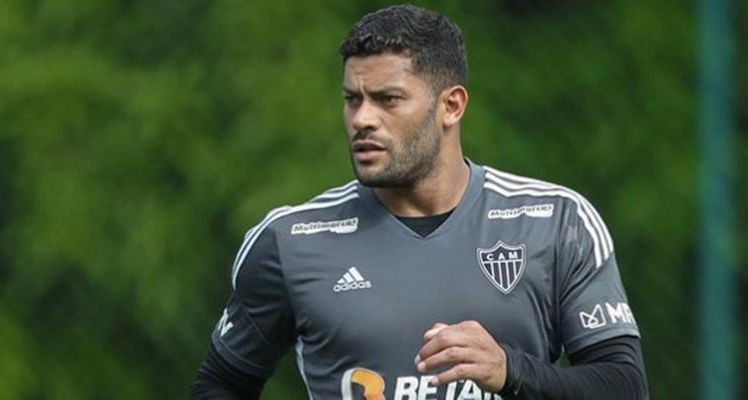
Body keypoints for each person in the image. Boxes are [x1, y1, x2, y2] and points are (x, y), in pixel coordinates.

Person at [191, 4, 648, 399]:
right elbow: (221, 384)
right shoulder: (290, 241)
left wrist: (511, 371)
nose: (362, 119)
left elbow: (624, 387)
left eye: (388, 99)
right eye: (352, 100)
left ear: (451, 106)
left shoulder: (554, 222)